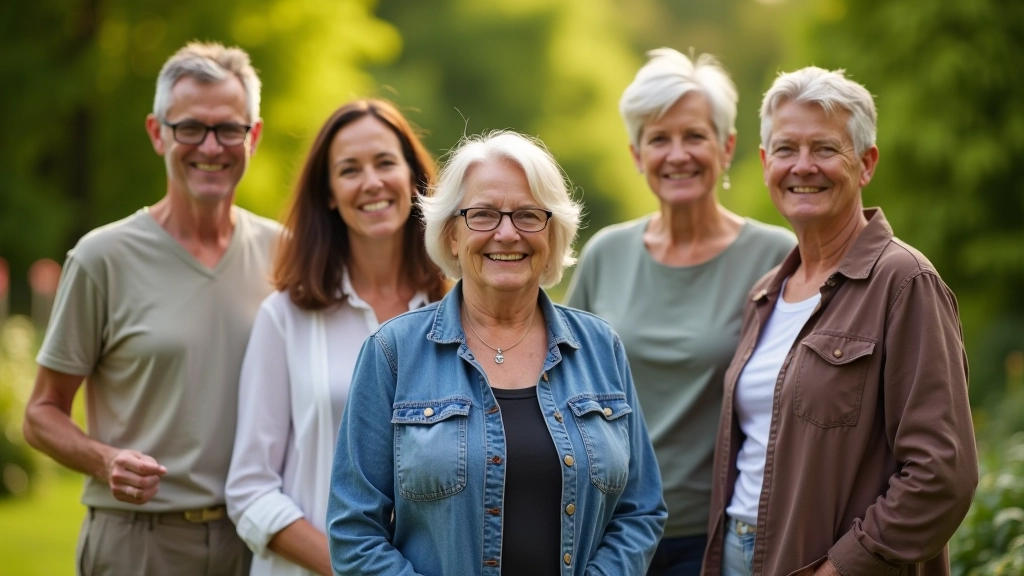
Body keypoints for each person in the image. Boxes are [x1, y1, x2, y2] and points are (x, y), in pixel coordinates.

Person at [327, 130, 667, 575]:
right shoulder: (392, 353)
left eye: (528, 216)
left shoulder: (601, 348)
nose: (506, 234)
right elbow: (354, 531)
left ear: (553, 233)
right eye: (483, 215)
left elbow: (640, 512)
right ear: (451, 234)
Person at [702, 67, 979, 576]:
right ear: (765, 163)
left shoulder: (904, 282)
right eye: (786, 149)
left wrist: (841, 568)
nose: (802, 166)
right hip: (737, 556)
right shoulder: (766, 293)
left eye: (825, 149)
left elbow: (942, 475)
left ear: (866, 163)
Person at [22, 42, 279, 575]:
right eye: (190, 127)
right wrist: (106, 459)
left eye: (229, 128)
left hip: (258, 540)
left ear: (252, 137)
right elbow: (41, 414)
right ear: (157, 132)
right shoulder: (101, 259)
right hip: (138, 542)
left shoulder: (286, 255)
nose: (211, 146)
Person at [565, 48, 794, 575]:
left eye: (694, 136)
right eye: (658, 139)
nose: (677, 154)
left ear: (728, 145)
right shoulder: (606, 253)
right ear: (636, 153)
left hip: (722, 534)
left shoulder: (774, 257)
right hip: (609, 532)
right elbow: (563, 383)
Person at [224, 99, 447, 576]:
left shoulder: (460, 312)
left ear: (414, 178)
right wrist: (357, 567)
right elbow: (250, 490)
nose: (371, 182)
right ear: (328, 193)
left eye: (385, 162)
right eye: (349, 169)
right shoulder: (285, 317)